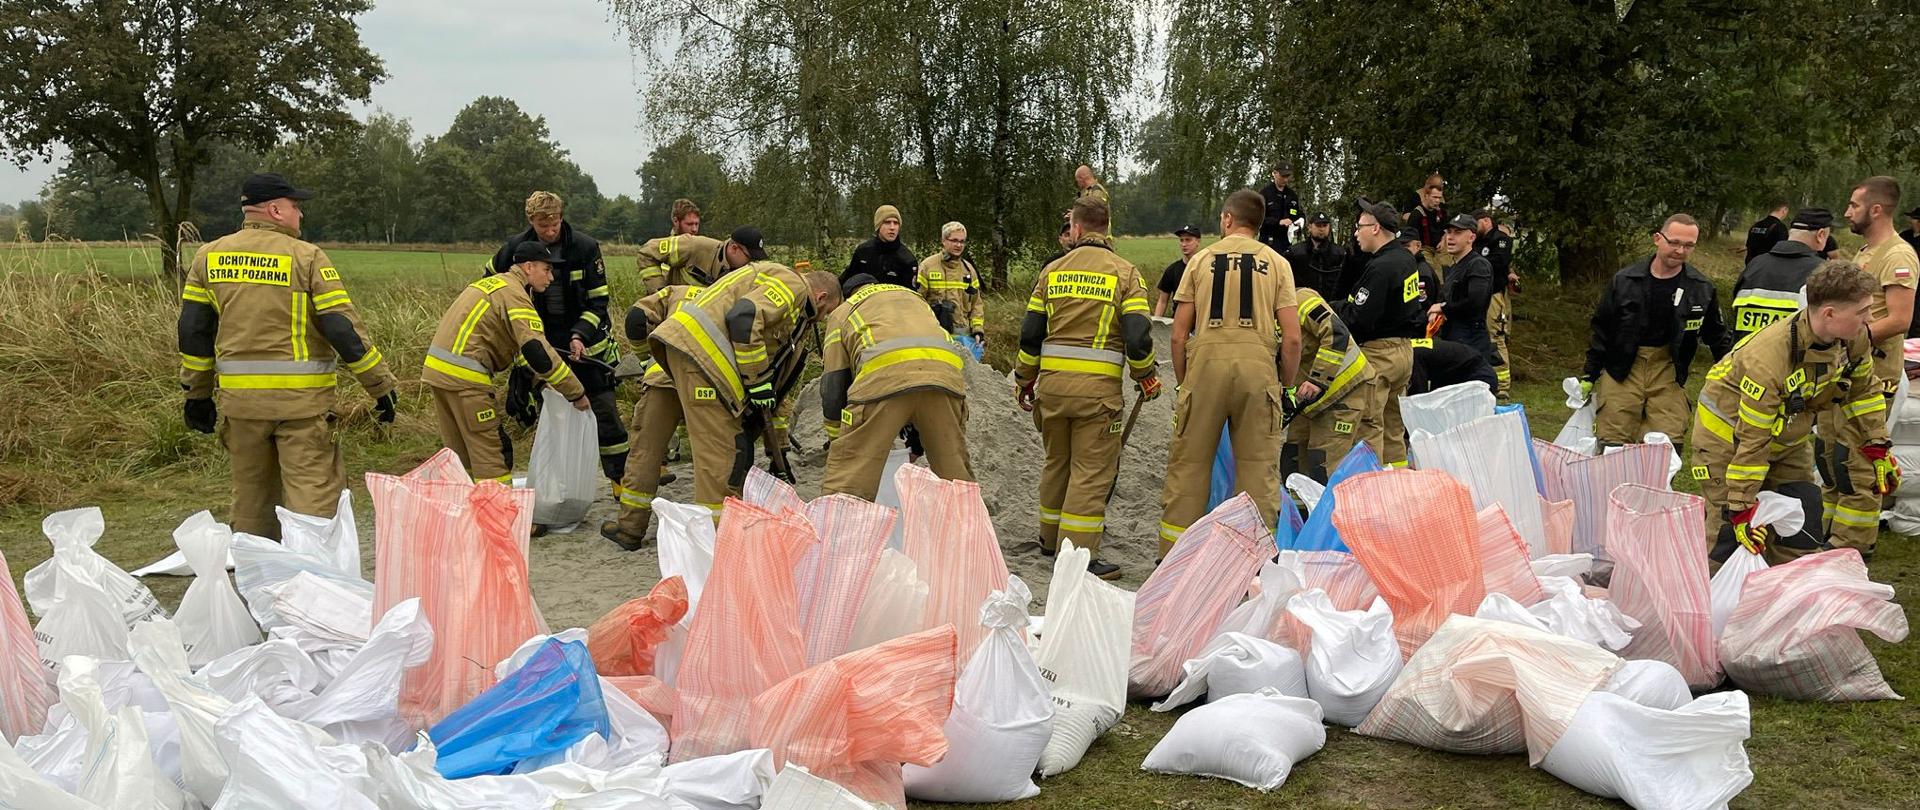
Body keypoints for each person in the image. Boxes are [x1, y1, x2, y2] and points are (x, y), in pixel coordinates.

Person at [177, 173, 399, 539]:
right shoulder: (306, 257)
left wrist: (197, 395)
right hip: (301, 407)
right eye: (296, 206)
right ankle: (312, 570)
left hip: (242, 406)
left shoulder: (208, 257)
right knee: (312, 497)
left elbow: (193, 332)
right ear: (275, 210)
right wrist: (379, 386)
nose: (301, 214)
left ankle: (257, 570)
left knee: (252, 500)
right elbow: (342, 329)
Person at [1691, 261, 1896, 564]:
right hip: (1727, 443)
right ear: (1829, 314)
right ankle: (1714, 591)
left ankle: (1787, 588)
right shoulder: (1768, 358)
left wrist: (1876, 444)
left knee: (1802, 522)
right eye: (1862, 311)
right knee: (1730, 535)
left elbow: (1863, 391)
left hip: (1786, 439)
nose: (1871, 318)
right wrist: (1740, 504)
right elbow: (1753, 439)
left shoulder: (1855, 338)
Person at [651, 227, 840, 520]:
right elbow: (744, 318)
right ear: (821, 295)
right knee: (722, 457)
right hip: (702, 360)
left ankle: (642, 525)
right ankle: (718, 533)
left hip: (689, 352)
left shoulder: (769, 277)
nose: (820, 319)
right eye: (826, 311)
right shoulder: (795, 286)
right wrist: (757, 381)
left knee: (725, 448)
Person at [1017, 195, 1159, 579]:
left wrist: (1024, 379)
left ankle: (1049, 540)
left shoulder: (1052, 272)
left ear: (1076, 228)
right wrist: (1145, 376)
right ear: (1107, 229)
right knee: (1090, 472)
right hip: (1097, 396)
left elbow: (1030, 334)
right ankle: (1079, 555)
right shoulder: (1126, 274)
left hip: (1052, 391)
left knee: (1057, 462)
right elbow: (1137, 336)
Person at [1158, 189, 1301, 557]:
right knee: (1257, 472)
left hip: (1205, 368)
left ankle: (1174, 556)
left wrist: (1185, 383)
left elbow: (1177, 335)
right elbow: (1292, 339)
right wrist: (1285, 387)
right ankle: (1253, 561)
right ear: (1258, 223)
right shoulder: (1277, 264)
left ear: (1227, 219)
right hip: (1258, 371)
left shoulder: (1200, 261)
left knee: (1190, 467)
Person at [485, 191, 627, 500]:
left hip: (588, 348)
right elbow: (489, 284)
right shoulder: (514, 249)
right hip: (542, 348)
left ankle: (621, 483)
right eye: (543, 226)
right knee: (553, 421)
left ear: (562, 217)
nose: (550, 231)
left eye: (555, 224)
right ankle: (559, 490)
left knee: (606, 417)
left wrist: (579, 335)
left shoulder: (585, 248)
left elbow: (599, 302)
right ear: (530, 221)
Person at [426, 242, 588, 483]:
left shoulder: (494, 284)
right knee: (491, 456)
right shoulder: (515, 294)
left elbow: (519, 347)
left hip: (438, 374)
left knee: (462, 458)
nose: (551, 277)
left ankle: (465, 506)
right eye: (547, 269)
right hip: (466, 379)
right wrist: (576, 393)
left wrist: (539, 382)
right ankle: (500, 508)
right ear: (529, 267)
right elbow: (537, 351)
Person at [1582, 214, 1731, 451]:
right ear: (1657, 239)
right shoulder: (1625, 280)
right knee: (1613, 441)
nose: (1680, 251)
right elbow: (1602, 329)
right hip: (1622, 368)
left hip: (1668, 369)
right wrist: (1589, 375)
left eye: (1688, 245)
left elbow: (1717, 337)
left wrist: (1733, 377)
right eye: (1674, 242)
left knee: (1667, 446)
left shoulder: (1701, 289)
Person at [821, 275, 974, 500]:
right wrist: (918, 437)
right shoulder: (914, 299)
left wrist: (838, 436)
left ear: (847, 294)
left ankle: (840, 519)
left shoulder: (844, 310)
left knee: (848, 484)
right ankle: (968, 519)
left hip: (882, 380)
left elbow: (835, 382)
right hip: (945, 379)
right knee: (955, 475)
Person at [600, 282, 703, 550]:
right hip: (709, 380)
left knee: (646, 450)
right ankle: (715, 529)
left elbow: (636, 317)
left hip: (664, 375)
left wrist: (646, 359)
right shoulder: (732, 293)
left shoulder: (676, 292)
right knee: (712, 453)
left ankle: (630, 529)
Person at [1338, 199, 1424, 467]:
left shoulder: (1380, 268)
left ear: (1375, 228)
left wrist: (1333, 308)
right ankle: (1397, 478)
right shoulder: (1406, 259)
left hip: (1379, 355)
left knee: (1368, 425)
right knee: (1393, 426)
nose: (1356, 233)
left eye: (1359, 227)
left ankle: (1371, 480)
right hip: (1403, 352)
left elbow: (1360, 319)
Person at [1282, 287, 1381, 483]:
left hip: (1346, 386)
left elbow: (1336, 333)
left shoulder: (1301, 300)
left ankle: (1331, 503)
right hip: (1310, 398)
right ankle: (1302, 503)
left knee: (1323, 461)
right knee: (1293, 455)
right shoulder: (1261, 315)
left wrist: (1318, 379)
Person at [1844, 176, 1918, 403]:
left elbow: (1900, 320)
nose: (1847, 213)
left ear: (1875, 210)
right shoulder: (1868, 250)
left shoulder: (1897, 256)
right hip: (1853, 369)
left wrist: (1848, 341)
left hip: (1874, 375)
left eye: (1854, 206)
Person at [1730, 208, 1831, 344]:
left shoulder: (1755, 265)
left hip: (1744, 353)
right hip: (1790, 356)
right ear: (1821, 235)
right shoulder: (1823, 272)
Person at [1433, 214, 1495, 361]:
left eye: (1458, 232)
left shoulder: (1478, 264)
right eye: (1449, 232)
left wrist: (1443, 308)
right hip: (1453, 336)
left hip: (1471, 340)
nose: (1450, 237)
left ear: (1471, 238)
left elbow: (1475, 302)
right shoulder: (1455, 266)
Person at [917, 221, 986, 348]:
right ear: (943, 241)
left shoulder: (969, 270)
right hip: (935, 337)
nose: (958, 245)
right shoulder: (928, 267)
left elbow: (976, 304)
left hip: (964, 339)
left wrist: (978, 330)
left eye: (962, 241)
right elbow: (918, 302)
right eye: (954, 240)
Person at [1474, 209, 1517, 399]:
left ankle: (1502, 385)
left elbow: (1498, 263)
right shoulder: (1477, 241)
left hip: (1494, 295)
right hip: (1477, 295)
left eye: (1475, 223)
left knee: (1496, 337)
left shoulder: (1501, 240)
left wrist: (1476, 262)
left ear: (1485, 221)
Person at [842, 205, 918, 290]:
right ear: (878, 226)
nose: (892, 227)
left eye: (896, 223)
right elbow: (845, 281)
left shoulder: (907, 260)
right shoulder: (863, 252)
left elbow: (911, 295)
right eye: (887, 222)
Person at [635, 231, 729, 293]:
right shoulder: (693, 245)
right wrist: (660, 293)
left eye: (696, 224)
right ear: (676, 221)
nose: (694, 229)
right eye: (689, 224)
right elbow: (648, 252)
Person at [1286, 212, 1348, 299]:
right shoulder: (1295, 253)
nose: (1322, 229)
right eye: (1318, 225)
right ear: (1309, 227)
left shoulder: (1339, 253)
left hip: (1331, 304)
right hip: (1303, 302)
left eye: (1325, 225)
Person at [1408, 337, 1497, 395]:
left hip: (1479, 377)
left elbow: (1417, 396)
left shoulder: (1414, 356)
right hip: (1459, 372)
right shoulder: (1412, 347)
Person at [1153, 224, 1203, 317]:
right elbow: (1162, 301)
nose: (1184, 244)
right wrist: (1156, 321)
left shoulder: (1206, 268)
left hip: (1201, 320)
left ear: (1198, 241)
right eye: (1181, 240)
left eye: (1188, 240)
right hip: (1179, 320)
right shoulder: (1172, 270)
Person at [1258, 162, 1302, 252]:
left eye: (1287, 176)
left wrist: (1299, 221)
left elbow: (1297, 213)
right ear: (1275, 173)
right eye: (1283, 176)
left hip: (1286, 242)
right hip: (1268, 242)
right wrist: (1278, 222)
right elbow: (1259, 218)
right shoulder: (1264, 194)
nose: (1285, 179)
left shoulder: (1292, 195)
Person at [1402, 173, 1447, 259]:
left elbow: (1445, 228)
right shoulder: (1416, 199)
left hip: (1440, 246)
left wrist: (1443, 240)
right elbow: (1406, 216)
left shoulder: (1440, 208)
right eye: (1435, 197)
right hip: (1423, 246)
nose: (1437, 201)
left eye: (1439, 197)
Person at [1743, 200, 1790, 266]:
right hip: (1767, 267)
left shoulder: (1756, 225)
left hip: (1750, 266)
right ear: (1784, 210)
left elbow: (1749, 246)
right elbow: (1782, 251)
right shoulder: (1780, 228)